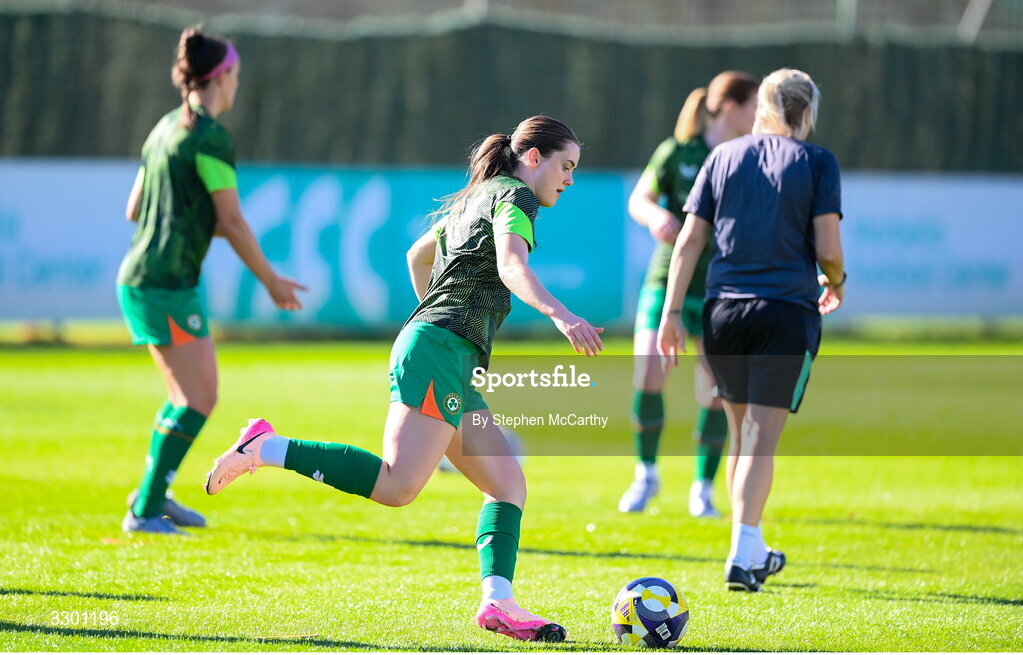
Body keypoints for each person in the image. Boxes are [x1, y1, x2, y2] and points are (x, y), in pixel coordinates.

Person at [204, 115, 602, 642]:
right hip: (440, 351)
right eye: (565, 165)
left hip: (444, 351)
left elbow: (417, 256)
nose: (569, 179)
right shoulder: (516, 198)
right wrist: (560, 315)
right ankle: (266, 447)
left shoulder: (473, 198)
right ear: (534, 158)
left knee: (506, 484)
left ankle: (499, 603)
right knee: (397, 485)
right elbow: (510, 266)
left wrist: (436, 319)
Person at [658, 68, 845, 591]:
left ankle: (753, 547)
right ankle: (741, 556)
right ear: (806, 113)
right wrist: (839, 282)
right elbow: (828, 249)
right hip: (784, 311)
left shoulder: (722, 157)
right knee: (760, 440)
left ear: (761, 107)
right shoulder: (817, 162)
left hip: (722, 314)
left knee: (742, 433)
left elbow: (690, 241)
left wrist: (672, 313)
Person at [117, 27, 305, 535]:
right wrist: (270, 280)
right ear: (220, 78)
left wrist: (194, 221)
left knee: (188, 396)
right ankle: (145, 509)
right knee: (198, 398)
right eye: (236, 76)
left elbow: (135, 208)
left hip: (145, 277)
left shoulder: (164, 129)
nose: (238, 85)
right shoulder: (211, 137)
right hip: (166, 283)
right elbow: (234, 220)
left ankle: (153, 494)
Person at [619, 72, 759, 517]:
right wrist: (654, 217)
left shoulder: (750, 157)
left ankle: (703, 488)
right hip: (667, 281)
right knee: (648, 373)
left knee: (717, 391)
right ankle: (646, 475)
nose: (759, 115)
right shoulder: (678, 151)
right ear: (730, 106)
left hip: (722, 288)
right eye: (754, 105)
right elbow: (639, 199)